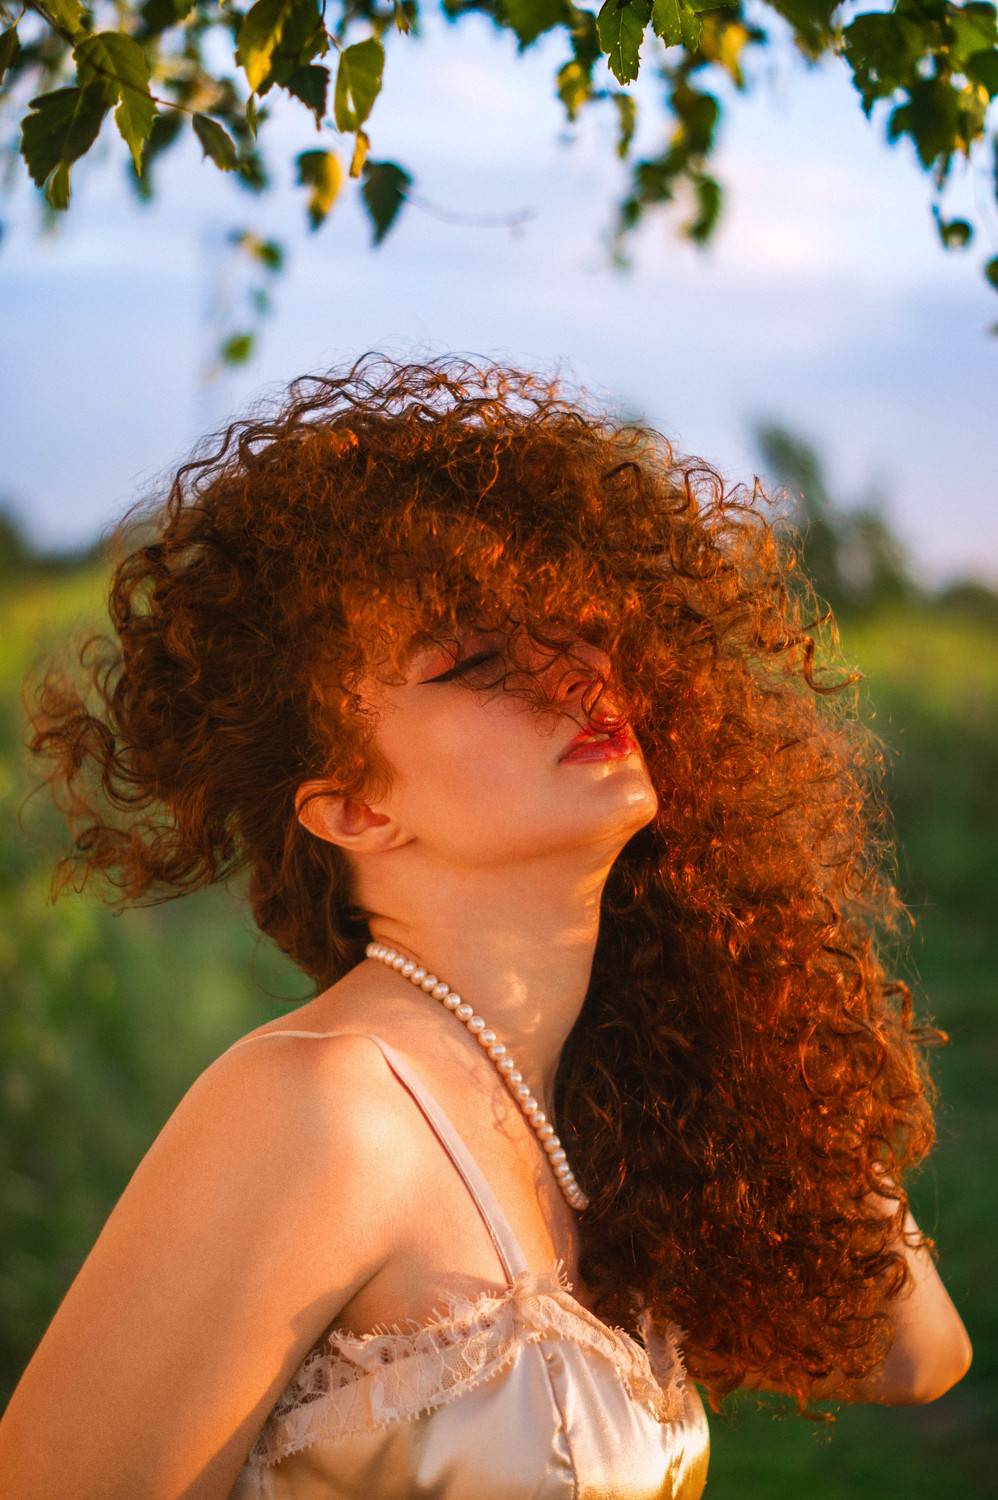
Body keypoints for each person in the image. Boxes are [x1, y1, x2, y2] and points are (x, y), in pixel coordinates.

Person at [1, 352, 971, 1499]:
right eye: (476, 662)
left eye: (577, 628)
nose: (575, 675)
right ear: (355, 809)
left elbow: (911, 1352)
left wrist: (747, 981)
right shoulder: (318, 1108)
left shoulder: (597, 1104)